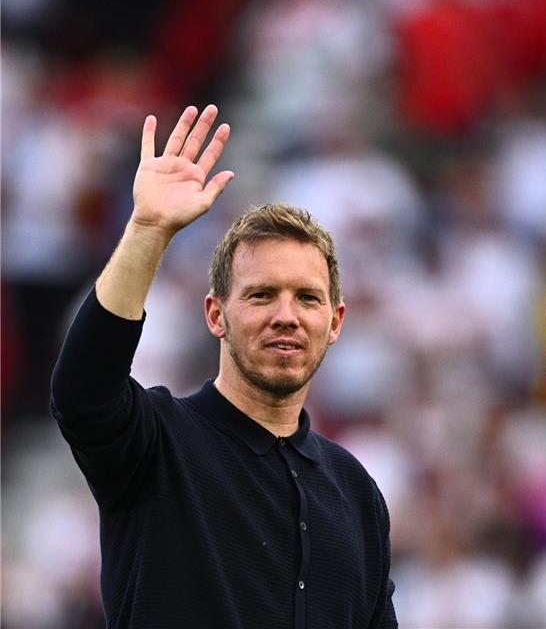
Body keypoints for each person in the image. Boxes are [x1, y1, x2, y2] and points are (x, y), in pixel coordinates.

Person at [50, 105, 396, 628]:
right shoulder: (156, 444)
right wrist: (148, 230)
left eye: (307, 298)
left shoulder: (355, 491)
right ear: (216, 314)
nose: (287, 316)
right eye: (261, 295)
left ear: (335, 321)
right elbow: (83, 389)